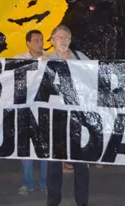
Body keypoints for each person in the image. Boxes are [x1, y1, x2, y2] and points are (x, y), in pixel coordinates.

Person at [45, 25, 88, 206]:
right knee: (54, 165)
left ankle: (82, 201)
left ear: (70, 40)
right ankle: (53, 201)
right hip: (55, 119)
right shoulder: (46, 60)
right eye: (59, 37)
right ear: (52, 41)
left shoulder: (81, 58)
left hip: (79, 118)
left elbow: (96, 77)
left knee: (81, 165)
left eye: (66, 37)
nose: (63, 40)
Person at [15, 30, 47, 194]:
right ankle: (27, 183)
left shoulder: (50, 59)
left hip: (44, 111)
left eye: (41, 40)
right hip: (25, 111)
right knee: (26, 149)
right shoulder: (18, 59)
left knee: (44, 147)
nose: (39, 43)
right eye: (35, 40)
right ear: (27, 43)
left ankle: (45, 184)